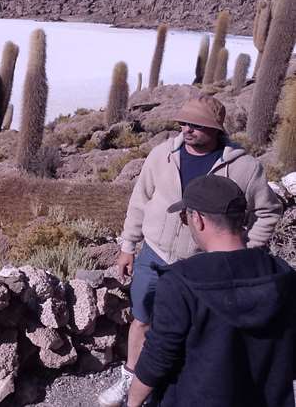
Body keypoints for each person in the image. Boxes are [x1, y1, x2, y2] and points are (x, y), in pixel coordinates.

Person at [97, 95, 282, 407]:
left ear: (215, 129)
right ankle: (131, 375)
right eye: (183, 122)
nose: (187, 129)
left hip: (203, 266)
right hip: (154, 255)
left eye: (197, 125)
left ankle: (173, 382)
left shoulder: (245, 168)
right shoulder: (161, 156)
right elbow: (140, 201)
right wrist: (128, 246)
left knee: (195, 333)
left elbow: (268, 211)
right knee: (141, 319)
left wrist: (246, 250)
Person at [126, 174, 296, 406]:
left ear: (198, 219)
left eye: (184, 217)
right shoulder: (282, 273)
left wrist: (133, 401)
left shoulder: (180, 281)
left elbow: (158, 358)